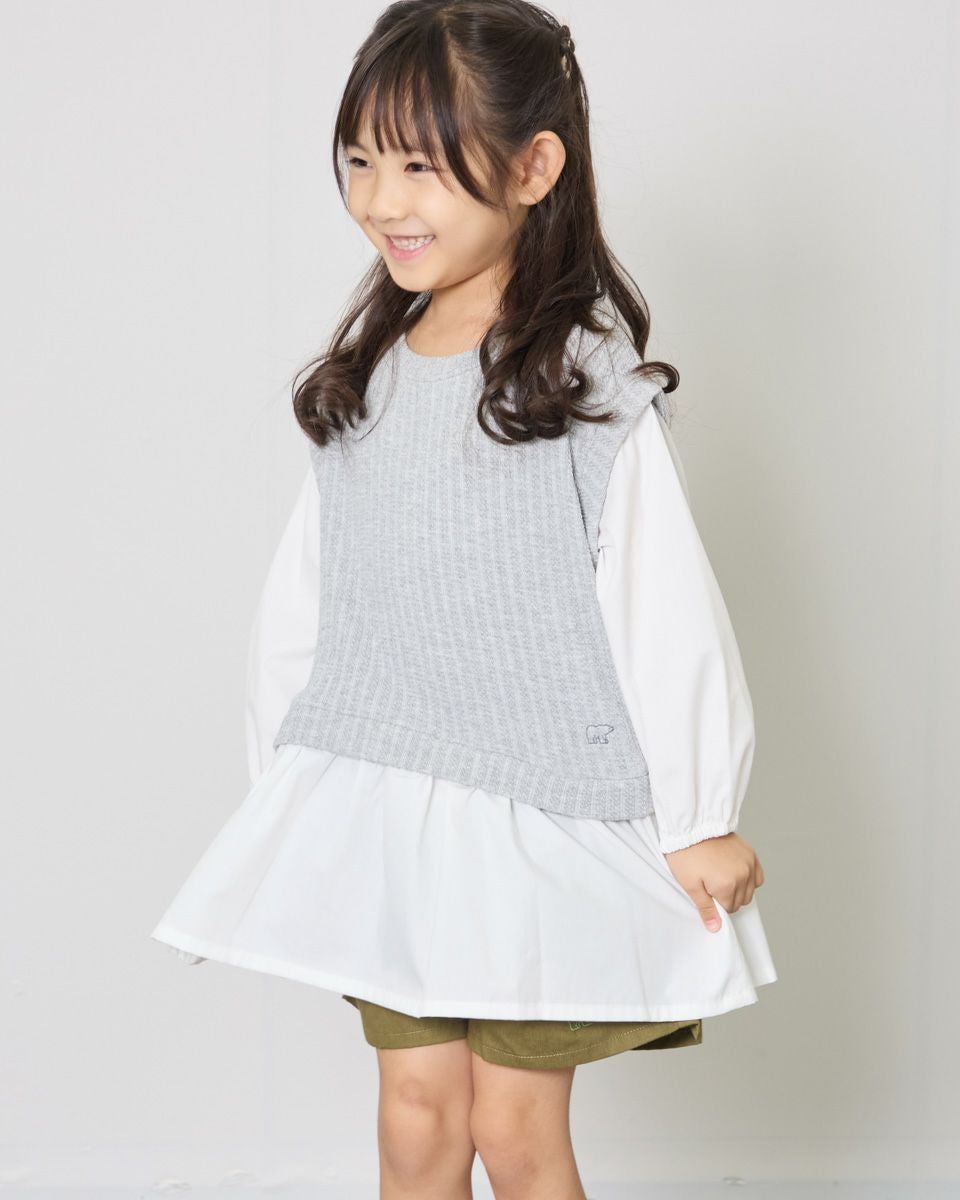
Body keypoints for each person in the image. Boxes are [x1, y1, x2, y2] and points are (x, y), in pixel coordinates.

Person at [151, 2, 778, 1195]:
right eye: (361, 162)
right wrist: (288, 780)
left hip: (540, 821)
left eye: (421, 168)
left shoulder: (586, 387)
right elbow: (313, 597)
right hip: (392, 817)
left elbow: (661, 608)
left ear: (535, 168)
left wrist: (700, 810)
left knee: (516, 1133)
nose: (382, 200)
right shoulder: (371, 381)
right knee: (416, 1119)